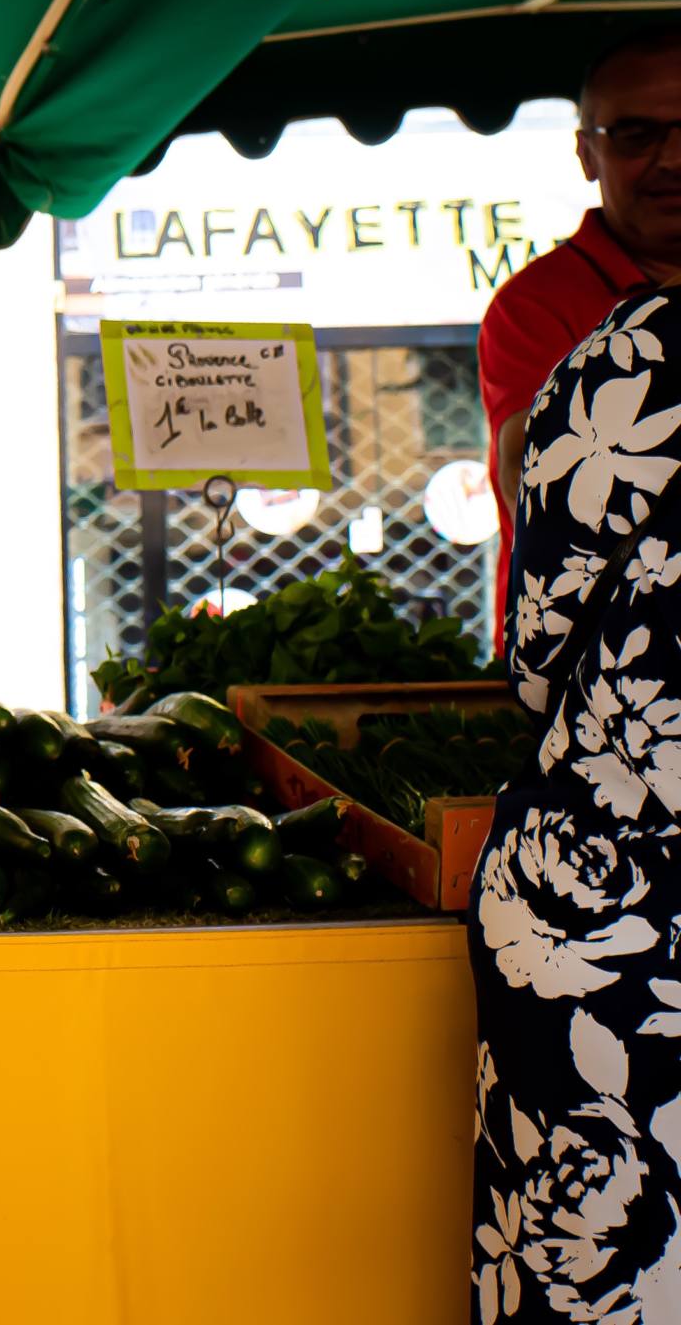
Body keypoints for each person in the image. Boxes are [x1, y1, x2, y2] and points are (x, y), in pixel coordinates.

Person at [474, 271, 681, 1322]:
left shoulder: (638, 357)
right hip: (620, 901)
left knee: (600, 1274)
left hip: (616, 891)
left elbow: (538, 643)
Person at [477, 25, 681, 645]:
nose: (672, 158)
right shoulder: (534, 306)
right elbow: (534, 484)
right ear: (586, 154)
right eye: (636, 135)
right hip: (593, 669)